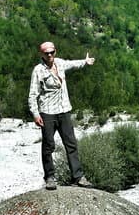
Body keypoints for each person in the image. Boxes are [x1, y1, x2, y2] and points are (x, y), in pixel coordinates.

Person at [28, 41, 95, 190]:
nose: (50, 55)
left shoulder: (60, 63)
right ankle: (50, 177)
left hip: (64, 110)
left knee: (71, 144)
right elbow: (33, 94)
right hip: (47, 112)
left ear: (55, 52)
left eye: (52, 52)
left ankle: (78, 177)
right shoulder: (38, 70)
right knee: (48, 146)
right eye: (46, 53)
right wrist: (35, 114)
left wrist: (85, 62)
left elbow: (72, 64)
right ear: (42, 54)